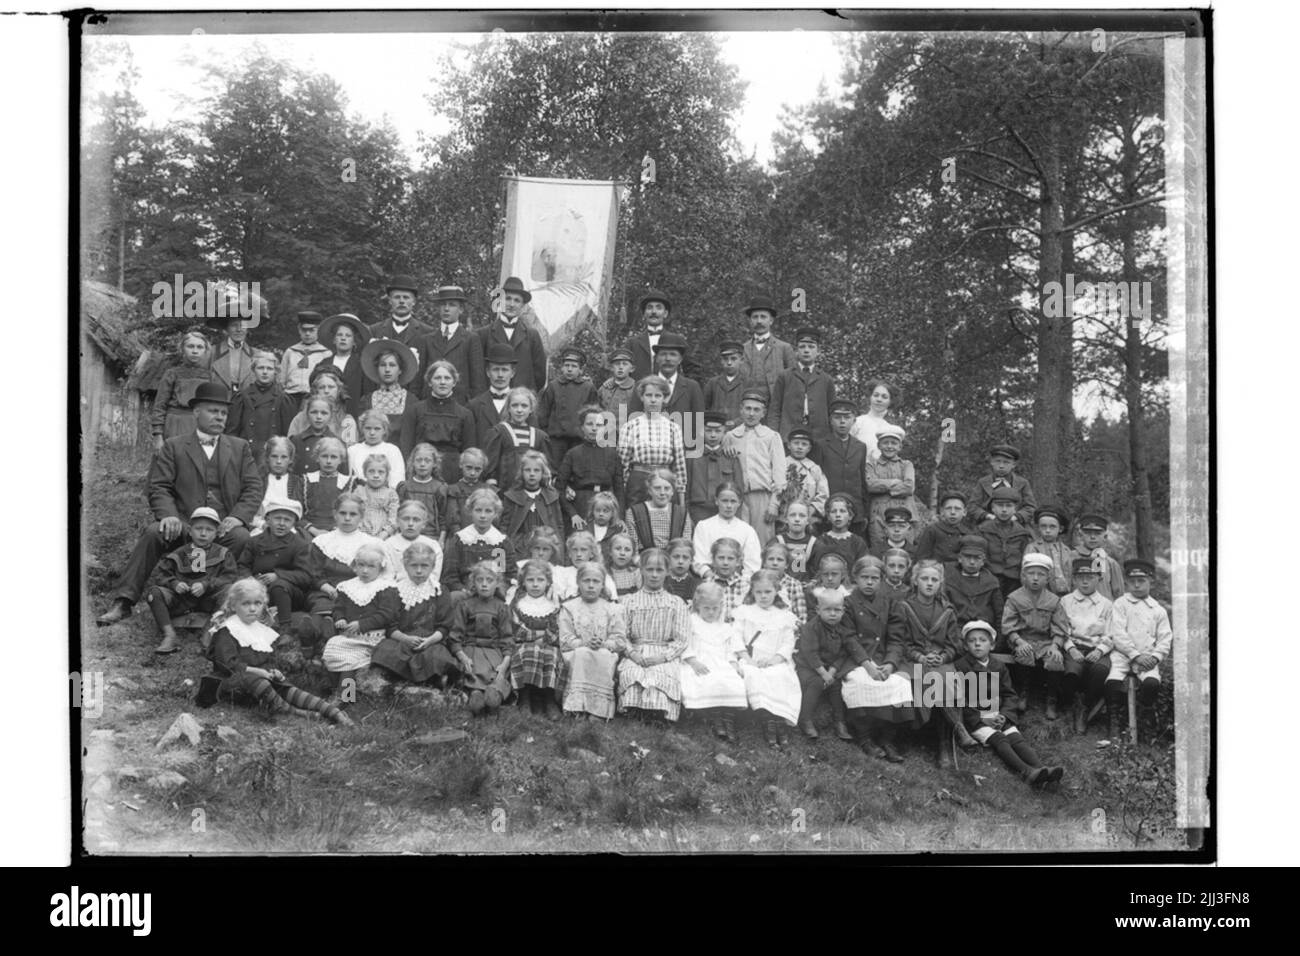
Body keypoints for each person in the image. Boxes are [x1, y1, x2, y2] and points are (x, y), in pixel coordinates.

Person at [97, 382, 262, 627]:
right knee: (154, 533)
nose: (219, 417)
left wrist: (237, 517)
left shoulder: (239, 448)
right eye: (213, 411)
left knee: (241, 537)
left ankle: (213, 601)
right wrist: (169, 515)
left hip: (221, 529)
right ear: (196, 412)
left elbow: (253, 487)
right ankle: (123, 601)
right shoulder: (174, 446)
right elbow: (159, 486)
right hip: (184, 526)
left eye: (223, 412)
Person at [201, 578, 353, 726]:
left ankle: (332, 711)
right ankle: (292, 712)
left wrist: (273, 672)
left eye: (257, 603)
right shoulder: (228, 630)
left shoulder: (259, 629)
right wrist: (259, 672)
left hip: (259, 683)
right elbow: (228, 665)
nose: (252, 608)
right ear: (234, 606)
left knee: (285, 686)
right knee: (256, 681)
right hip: (230, 682)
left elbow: (265, 660)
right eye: (246, 603)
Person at [954, 620, 1062, 788]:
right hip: (976, 719)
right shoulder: (960, 667)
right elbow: (960, 700)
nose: (977, 644)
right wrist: (982, 718)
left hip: (998, 714)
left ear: (992, 645)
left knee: (1016, 738)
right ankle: (1027, 772)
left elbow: (1009, 694)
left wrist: (1004, 715)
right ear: (966, 646)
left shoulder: (998, 666)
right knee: (999, 739)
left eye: (982, 640)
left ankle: (1042, 769)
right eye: (972, 641)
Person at [890, 559, 972, 767]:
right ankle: (957, 726)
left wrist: (943, 657)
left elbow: (955, 644)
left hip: (938, 660)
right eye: (924, 578)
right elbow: (899, 641)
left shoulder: (947, 610)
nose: (929, 583)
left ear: (940, 583)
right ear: (915, 581)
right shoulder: (904, 607)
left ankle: (944, 745)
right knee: (920, 679)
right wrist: (920, 657)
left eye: (934, 580)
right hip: (911, 660)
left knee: (946, 678)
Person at [841, 555, 915, 761]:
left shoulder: (890, 603)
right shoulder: (848, 603)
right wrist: (868, 665)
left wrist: (890, 664)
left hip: (883, 657)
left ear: (881, 580)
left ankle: (887, 738)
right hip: (857, 658)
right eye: (864, 577)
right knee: (859, 681)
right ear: (855, 578)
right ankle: (865, 738)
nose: (869, 582)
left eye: (874, 578)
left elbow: (896, 638)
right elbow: (849, 639)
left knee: (899, 683)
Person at [144, 506, 239, 654]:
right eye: (198, 528)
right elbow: (161, 575)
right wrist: (174, 583)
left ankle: (209, 634)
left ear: (216, 533)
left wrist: (207, 585)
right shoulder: (179, 553)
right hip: (182, 600)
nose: (203, 533)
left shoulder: (223, 553)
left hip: (209, 600)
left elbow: (229, 576)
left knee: (230, 591)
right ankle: (169, 636)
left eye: (209, 530)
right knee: (154, 593)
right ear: (189, 530)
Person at [369, 541, 459, 686]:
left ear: (432, 567)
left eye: (424, 566)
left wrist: (430, 640)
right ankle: (396, 679)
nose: (419, 571)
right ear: (405, 566)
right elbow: (390, 626)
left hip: (430, 641)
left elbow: (445, 625)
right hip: (401, 640)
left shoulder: (440, 591)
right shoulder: (395, 590)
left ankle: (432, 680)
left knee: (437, 657)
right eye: (414, 565)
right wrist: (405, 639)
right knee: (385, 651)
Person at [299, 493, 382, 648]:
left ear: (361, 517)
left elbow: (376, 574)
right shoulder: (323, 541)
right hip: (326, 590)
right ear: (335, 514)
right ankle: (311, 633)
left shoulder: (371, 543)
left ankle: (326, 634)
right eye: (343, 513)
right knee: (321, 606)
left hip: (357, 592)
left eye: (353, 514)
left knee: (347, 609)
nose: (347, 518)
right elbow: (314, 572)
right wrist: (327, 588)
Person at [616, 548, 690, 722]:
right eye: (649, 570)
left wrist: (663, 657)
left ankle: (658, 713)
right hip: (637, 651)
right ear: (641, 570)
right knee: (632, 673)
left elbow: (682, 639)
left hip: (663, 652)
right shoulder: (629, 601)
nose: (654, 575)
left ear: (667, 572)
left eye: (659, 570)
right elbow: (621, 635)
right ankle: (634, 710)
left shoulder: (675, 602)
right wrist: (632, 653)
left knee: (659, 674)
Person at [1104, 558, 1172, 740]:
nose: (1136, 585)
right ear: (1127, 582)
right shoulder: (1120, 604)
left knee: (1151, 684)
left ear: (1151, 582)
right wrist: (1134, 655)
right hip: (1123, 655)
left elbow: (1165, 638)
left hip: (1148, 659)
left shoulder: (1158, 610)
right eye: (1132, 581)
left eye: (1141, 581)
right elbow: (1117, 633)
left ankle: (1144, 715)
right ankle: (1114, 720)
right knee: (1112, 682)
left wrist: (1155, 657)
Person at [320, 543, 401, 692]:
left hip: (371, 639)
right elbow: (338, 607)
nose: (365, 570)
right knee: (331, 648)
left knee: (350, 663)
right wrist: (340, 618)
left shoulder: (385, 588)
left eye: (371, 566)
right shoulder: (347, 587)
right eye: (361, 565)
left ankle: (347, 696)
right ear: (354, 565)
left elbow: (387, 615)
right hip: (348, 635)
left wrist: (362, 624)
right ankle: (334, 688)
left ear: (381, 568)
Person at [734, 569, 801, 748]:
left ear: (776, 591)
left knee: (780, 676)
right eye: (759, 592)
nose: (763, 596)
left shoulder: (784, 616)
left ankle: (779, 722)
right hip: (751, 659)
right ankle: (768, 723)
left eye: (768, 592)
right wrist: (747, 658)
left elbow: (788, 642)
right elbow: (736, 637)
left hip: (775, 661)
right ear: (752, 591)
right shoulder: (744, 612)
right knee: (754, 676)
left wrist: (774, 660)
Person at [1001, 553, 1071, 719]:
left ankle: (1051, 700)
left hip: (1046, 642)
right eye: (1031, 573)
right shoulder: (1014, 598)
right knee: (1024, 655)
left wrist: (1055, 646)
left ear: (1048, 578)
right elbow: (1008, 626)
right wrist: (1018, 641)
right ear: (1024, 576)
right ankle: (1023, 693)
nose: (1035, 578)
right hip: (1022, 640)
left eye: (1041, 574)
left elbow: (1060, 627)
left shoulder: (1053, 600)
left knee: (1055, 660)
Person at [558, 562, 628, 719]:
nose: (591, 585)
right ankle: (578, 708)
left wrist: (603, 644)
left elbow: (620, 640)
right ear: (578, 582)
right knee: (583, 653)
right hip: (575, 652)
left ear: (602, 584)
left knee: (603, 655)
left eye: (596, 581)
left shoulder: (612, 608)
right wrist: (584, 643)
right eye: (586, 581)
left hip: (605, 651)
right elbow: (565, 639)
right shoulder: (569, 608)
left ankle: (598, 710)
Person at [680, 582, 747, 741]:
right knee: (708, 679)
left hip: (720, 662)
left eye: (715, 608)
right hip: (698, 661)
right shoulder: (691, 622)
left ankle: (728, 719)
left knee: (730, 680)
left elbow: (729, 650)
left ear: (721, 607)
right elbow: (684, 644)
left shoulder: (724, 627)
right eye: (706, 608)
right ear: (698, 606)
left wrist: (733, 663)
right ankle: (716, 718)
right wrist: (693, 661)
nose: (711, 612)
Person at [448, 562, 515, 716]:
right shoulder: (465, 605)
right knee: (469, 672)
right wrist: (462, 656)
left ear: (497, 583)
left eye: (489, 580)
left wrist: (504, 664)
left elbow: (507, 638)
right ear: (473, 582)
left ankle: (494, 696)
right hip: (470, 650)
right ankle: (475, 695)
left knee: (497, 674)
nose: (484, 584)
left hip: (494, 651)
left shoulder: (502, 607)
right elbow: (455, 636)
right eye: (480, 580)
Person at [399, 360, 476, 485]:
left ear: (454, 382)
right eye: (437, 378)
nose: (442, 382)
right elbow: (406, 445)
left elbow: (469, 451)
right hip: (421, 469)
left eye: (447, 378)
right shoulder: (415, 410)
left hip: (452, 473)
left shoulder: (465, 414)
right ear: (430, 382)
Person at [239, 498, 313, 628]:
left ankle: (285, 628)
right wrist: (249, 578)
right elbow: (242, 565)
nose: (282, 524)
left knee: (279, 586)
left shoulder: (299, 545)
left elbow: (305, 575)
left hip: (288, 594)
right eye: (277, 518)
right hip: (258, 588)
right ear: (267, 520)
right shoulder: (254, 541)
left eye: (287, 520)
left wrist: (278, 576)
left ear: (294, 523)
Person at [1060, 557, 1114, 734]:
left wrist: (1100, 650)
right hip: (1074, 647)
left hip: (1097, 649)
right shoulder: (1065, 601)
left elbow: (1112, 633)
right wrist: (1071, 648)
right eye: (1080, 577)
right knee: (1071, 673)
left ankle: (1086, 705)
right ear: (1074, 579)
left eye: (1090, 577)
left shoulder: (1107, 604)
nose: (1085, 581)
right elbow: (1061, 629)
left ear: (1098, 579)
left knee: (1101, 671)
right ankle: (1070, 703)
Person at [795, 587, 857, 740]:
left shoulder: (842, 629)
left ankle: (840, 722)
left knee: (836, 685)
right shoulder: (811, 627)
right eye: (828, 610)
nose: (833, 614)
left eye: (837, 610)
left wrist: (832, 672)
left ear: (843, 611)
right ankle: (805, 719)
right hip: (808, 667)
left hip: (829, 668)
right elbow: (811, 654)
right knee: (816, 682)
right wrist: (823, 673)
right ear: (818, 610)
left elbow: (843, 653)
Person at [618, 375, 688, 509]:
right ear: (642, 397)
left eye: (658, 396)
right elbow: (623, 466)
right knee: (637, 517)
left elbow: (679, 467)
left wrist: (681, 502)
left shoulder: (673, 428)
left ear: (665, 398)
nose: (653, 400)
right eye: (649, 395)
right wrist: (624, 495)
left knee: (663, 518)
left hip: (664, 481)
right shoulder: (630, 427)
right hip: (638, 482)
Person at [728, 389, 787, 547]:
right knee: (737, 541)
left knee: (762, 543)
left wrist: (774, 504)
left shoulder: (771, 436)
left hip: (762, 497)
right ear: (741, 410)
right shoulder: (731, 436)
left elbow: (779, 474)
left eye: (756, 410)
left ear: (763, 413)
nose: (751, 414)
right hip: (737, 498)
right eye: (748, 408)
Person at [509, 558, 564, 718]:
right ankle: (525, 697)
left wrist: (545, 638)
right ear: (523, 582)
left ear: (548, 582)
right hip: (523, 644)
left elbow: (557, 627)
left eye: (540, 580)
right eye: (530, 580)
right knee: (528, 651)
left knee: (551, 655)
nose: (535, 584)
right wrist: (536, 636)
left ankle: (549, 698)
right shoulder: (518, 603)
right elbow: (516, 629)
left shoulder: (554, 603)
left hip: (549, 644)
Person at [476, 276, 547, 391]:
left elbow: (540, 375)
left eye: (517, 300)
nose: (512, 304)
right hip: (491, 398)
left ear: (523, 306)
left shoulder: (532, 335)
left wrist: (526, 395)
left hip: (522, 399)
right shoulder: (483, 334)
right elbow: (477, 372)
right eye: (508, 299)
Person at [440, 488, 514, 599]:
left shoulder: (500, 542)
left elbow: (508, 574)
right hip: (465, 594)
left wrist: (495, 591)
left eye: (488, 511)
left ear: (495, 513)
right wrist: (464, 590)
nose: (483, 515)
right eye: (478, 510)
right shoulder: (459, 540)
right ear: (470, 511)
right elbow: (450, 576)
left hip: (494, 595)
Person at [557, 405, 621, 530]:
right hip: (580, 505)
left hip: (606, 505)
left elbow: (619, 489)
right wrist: (573, 514)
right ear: (582, 427)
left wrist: (619, 517)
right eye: (589, 424)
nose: (594, 428)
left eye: (599, 425)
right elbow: (559, 487)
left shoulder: (612, 454)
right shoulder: (573, 454)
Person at [812, 398, 870, 537]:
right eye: (837, 417)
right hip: (829, 510)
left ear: (854, 420)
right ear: (830, 420)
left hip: (854, 510)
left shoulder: (860, 446)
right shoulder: (820, 445)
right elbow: (815, 479)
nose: (842, 421)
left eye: (847, 417)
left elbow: (862, 480)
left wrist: (864, 512)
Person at [768, 327, 834, 442]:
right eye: (802, 347)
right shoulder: (785, 376)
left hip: (819, 438)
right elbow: (775, 410)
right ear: (796, 351)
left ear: (818, 351)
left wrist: (831, 439)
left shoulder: (826, 379)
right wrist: (773, 436)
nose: (806, 350)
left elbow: (832, 413)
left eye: (811, 347)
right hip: (789, 437)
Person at [150, 327, 212, 446]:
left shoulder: (210, 376)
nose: (195, 351)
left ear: (205, 351)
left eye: (199, 347)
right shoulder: (172, 374)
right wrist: (158, 435)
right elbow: (160, 406)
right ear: (182, 349)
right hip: (175, 425)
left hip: (200, 426)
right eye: (190, 346)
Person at [943, 535, 1005, 651]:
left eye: (977, 558)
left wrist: (997, 643)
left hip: (984, 633)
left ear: (983, 561)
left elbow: (999, 615)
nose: (972, 562)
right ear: (960, 558)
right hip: (956, 633)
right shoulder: (949, 581)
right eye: (967, 557)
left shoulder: (991, 583)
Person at [482, 387, 553, 490]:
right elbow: (491, 465)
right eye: (515, 405)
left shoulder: (540, 436)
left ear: (531, 409)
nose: (519, 410)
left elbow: (546, 468)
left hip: (532, 492)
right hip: (505, 490)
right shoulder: (499, 432)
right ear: (508, 408)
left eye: (524, 406)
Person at [539, 345, 599, 462]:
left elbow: (595, 414)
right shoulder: (553, 386)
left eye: (574, 366)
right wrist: (545, 435)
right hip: (556, 441)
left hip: (579, 440)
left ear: (581, 370)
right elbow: (543, 414)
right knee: (554, 468)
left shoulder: (588, 388)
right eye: (567, 365)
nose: (569, 369)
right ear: (562, 367)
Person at [687, 410, 748, 525]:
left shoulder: (731, 458)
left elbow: (739, 490)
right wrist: (687, 516)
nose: (713, 435)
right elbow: (685, 490)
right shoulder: (692, 458)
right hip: (698, 511)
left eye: (718, 431)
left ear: (725, 432)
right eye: (708, 430)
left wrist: (736, 518)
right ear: (701, 431)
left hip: (725, 511)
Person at [627, 332, 705, 420]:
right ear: (656, 358)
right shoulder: (642, 385)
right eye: (663, 354)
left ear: (680, 360)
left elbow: (698, 423)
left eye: (673, 354)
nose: (668, 359)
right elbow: (632, 420)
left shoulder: (692, 387)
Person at [500, 450, 564, 557]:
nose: (532, 474)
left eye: (536, 470)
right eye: (527, 470)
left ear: (543, 473)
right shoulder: (512, 496)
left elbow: (558, 527)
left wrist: (560, 553)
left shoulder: (551, 496)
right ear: (521, 472)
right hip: (519, 549)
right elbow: (505, 527)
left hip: (545, 548)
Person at [864, 424, 917, 551]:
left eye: (893, 443)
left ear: (900, 447)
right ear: (879, 445)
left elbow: (909, 487)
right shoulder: (871, 465)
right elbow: (870, 486)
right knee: (879, 551)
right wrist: (894, 482)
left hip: (904, 515)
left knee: (905, 551)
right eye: (885, 443)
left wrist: (882, 486)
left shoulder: (906, 465)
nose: (889, 446)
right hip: (879, 516)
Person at [691, 481, 759, 578]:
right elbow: (699, 560)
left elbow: (752, 563)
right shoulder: (704, 526)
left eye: (733, 501)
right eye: (724, 501)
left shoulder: (747, 530)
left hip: (740, 581)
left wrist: (742, 581)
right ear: (716, 501)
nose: (729, 506)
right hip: (710, 579)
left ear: (739, 503)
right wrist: (712, 577)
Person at [979, 486, 1034, 598]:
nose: (1004, 510)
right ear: (993, 508)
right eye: (1000, 505)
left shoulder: (1022, 533)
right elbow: (981, 556)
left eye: (1009, 506)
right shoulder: (983, 531)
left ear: (1015, 509)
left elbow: (1025, 558)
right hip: (990, 579)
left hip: (1014, 581)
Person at [358, 338, 420, 438]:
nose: (387, 370)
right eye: (383, 365)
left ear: (400, 370)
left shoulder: (411, 401)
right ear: (377, 369)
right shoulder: (366, 401)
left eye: (392, 365)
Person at [626, 468, 694, 554]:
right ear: (649, 490)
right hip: (644, 559)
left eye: (667, 488)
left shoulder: (682, 514)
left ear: (672, 491)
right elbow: (633, 547)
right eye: (657, 488)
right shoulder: (634, 512)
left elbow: (686, 546)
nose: (662, 493)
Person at [738, 295, 795, 398]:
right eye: (755, 317)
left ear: (771, 320)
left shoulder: (784, 348)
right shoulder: (741, 349)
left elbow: (793, 382)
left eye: (763, 317)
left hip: (775, 403)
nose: (759, 321)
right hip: (747, 403)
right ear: (750, 321)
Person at [318, 313, 372, 419]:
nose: (343, 338)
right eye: (339, 335)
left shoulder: (362, 365)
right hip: (326, 416)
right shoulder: (323, 364)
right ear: (334, 339)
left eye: (348, 336)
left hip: (352, 415)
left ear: (354, 341)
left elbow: (367, 395)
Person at [287, 367, 358, 446]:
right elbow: (291, 446)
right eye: (322, 387)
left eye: (331, 387)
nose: (326, 391)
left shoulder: (347, 421)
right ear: (315, 391)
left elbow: (349, 449)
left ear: (338, 390)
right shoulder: (300, 418)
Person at [969, 443, 1037, 526]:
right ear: (992, 462)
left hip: (1016, 524)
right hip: (987, 523)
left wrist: (1016, 517)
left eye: (1006, 462)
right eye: (998, 461)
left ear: (1013, 465)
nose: (1001, 466)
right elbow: (972, 506)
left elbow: (1030, 507)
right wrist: (988, 516)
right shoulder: (983, 482)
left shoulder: (1023, 483)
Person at [466, 343, 521, 442]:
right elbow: (469, 442)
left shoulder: (522, 405)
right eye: (495, 369)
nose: (500, 375)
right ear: (488, 372)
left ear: (512, 373)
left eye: (505, 370)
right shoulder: (474, 406)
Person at [807, 493, 868, 579]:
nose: (838, 515)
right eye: (833, 511)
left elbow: (863, 568)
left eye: (842, 511)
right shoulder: (821, 541)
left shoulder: (858, 542)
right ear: (828, 516)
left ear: (850, 516)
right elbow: (814, 568)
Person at [777, 427, 829, 527]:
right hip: (783, 516)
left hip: (808, 516)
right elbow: (774, 488)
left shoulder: (814, 469)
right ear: (788, 445)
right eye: (796, 443)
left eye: (804, 444)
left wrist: (812, 509)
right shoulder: (781, 465)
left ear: (809, 448)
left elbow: (823, 494)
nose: (800, 447)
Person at [301, 438, 353, 537]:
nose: (328, 461)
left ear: (340, 460)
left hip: (339, 530)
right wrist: (314, 530)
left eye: (333, 457)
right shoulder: (305, 480)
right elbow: (297, 512)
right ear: (317, 458)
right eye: (324, 456)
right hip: (309, 530)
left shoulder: (349, 483)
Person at [396, 444, 447, 543]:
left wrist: (441, 539)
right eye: (418, 460)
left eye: (427, 461)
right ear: (412, 462)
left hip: (431, 536)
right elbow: (398, 513)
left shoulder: (439, 488)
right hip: (406, 534)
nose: (422, 464)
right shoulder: (405, 487)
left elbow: (443, 517)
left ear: (434, 463)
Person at [252, 437, 302, 535]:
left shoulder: (298, 482)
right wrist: (262, 525)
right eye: (274, 456)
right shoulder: (258, 481)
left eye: (284, 457)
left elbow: (299, 512)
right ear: (267, 458)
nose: (279, 461)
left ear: (290, 460)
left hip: (290, 529)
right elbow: (251, 511)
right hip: (261, 528)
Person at [385, 499, 442, 584]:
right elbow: (387, 576)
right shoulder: (388, 545)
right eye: (406, 519)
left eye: (416, 520)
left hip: (426, 588)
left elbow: (434, 576)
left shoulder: (433, 546)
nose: (410, 524)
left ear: (424, 524)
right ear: (397, 521)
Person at [369, 274, 432, 351]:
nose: (401, 301)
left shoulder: (427, 332)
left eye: (406, 297)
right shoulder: (374, 330)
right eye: (397, 297)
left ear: (414, 301)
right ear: (390, 301)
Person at [1072, 512, 1126, 601]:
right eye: (1088, 533)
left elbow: (1119, 593)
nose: (1092, 537)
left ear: (1105, 537)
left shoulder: (1111, 563)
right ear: (1081, 535)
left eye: (1097, 533)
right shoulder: (1071, 558)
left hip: (1104, 607)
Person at [278, 311, 331, 401]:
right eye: (304, 330)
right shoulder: (290, 351)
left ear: (318, 330)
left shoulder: (325, 353)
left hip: (314, 396)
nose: (307, 334)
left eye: (312, 330)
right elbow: (281, 378)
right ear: (299, 330)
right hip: (291, 395)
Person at [624, 288, 674, 382]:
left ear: (665, 313)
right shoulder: (632, 343)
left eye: (658, 308)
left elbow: (692, 369)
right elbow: (623, 371)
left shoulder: (675, 340)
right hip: (638, 390)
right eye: (650, 308)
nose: (654, 312)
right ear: (644, 314)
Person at [349, 409, 406, 487]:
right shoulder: (353, 450)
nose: (372, 433)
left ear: (384, 430)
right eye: (368, 428)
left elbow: (397, 479)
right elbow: (349, 479)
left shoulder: (392, 450)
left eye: (377, 429)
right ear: (362, 429)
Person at [849, 379, 901, 463]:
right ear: (870, 397)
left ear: (890, 401)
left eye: (884, 397)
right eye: (876, 395)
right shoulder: (858, 422)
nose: (879, 399)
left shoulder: (890, 429)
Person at [1025, 505, 1073, 595]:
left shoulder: (1066, 550)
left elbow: (1071, 575)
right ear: (1038, 528)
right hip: (1042, 595)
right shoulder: (1033, 548)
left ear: (1060, 529)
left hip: (1065, 595)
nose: (1047, 530)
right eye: (1043, 526)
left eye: (1052, 527)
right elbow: (1026, 575)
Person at [914, 491, 974, 564]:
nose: (953, 512)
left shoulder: (968, 534)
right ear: (942, 511)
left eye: (957, 509)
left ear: (964, 512)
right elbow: (921, 558)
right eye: (948, 508)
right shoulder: (932, 530)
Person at [443, 448, 489, 536]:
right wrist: (460, 536)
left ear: (483, 469)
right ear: (461, 465)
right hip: (459, 535)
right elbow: (453, 517)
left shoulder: (487, 490)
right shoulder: (454, 490)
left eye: (477, 469)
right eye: (469, 468)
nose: (472, 473)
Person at [207, 315, 257, 395]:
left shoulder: (256, 355)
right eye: (234, 325)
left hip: (247, 401)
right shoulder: (211, 352)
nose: (239, 329)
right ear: (226, 329)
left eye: (243, 326)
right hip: (218, 399)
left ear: (247, 329)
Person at [702, 339, 747, 430]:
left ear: (741, 360)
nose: (729, 363)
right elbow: (704, 408)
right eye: (725, 359)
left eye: (733, 359)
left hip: (741, 430)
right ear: (721, 361)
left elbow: (751, 410)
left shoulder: (748, 383)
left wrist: (736, 422)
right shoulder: (713, 383)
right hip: (716, 430)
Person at [763, 541, 808, 629]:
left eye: (780, 560)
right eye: (771, 559)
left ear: (786, 564)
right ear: (764, 563)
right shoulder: (755, 581)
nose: (775, 563)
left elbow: (801, 618)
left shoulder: (794, 585)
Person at [708, 537, 750, 621]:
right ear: (713, 560)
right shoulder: (707, 584)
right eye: (721, 558)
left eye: (730, 558)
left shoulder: (745, 585)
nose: (725, 563)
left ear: (738, 561)